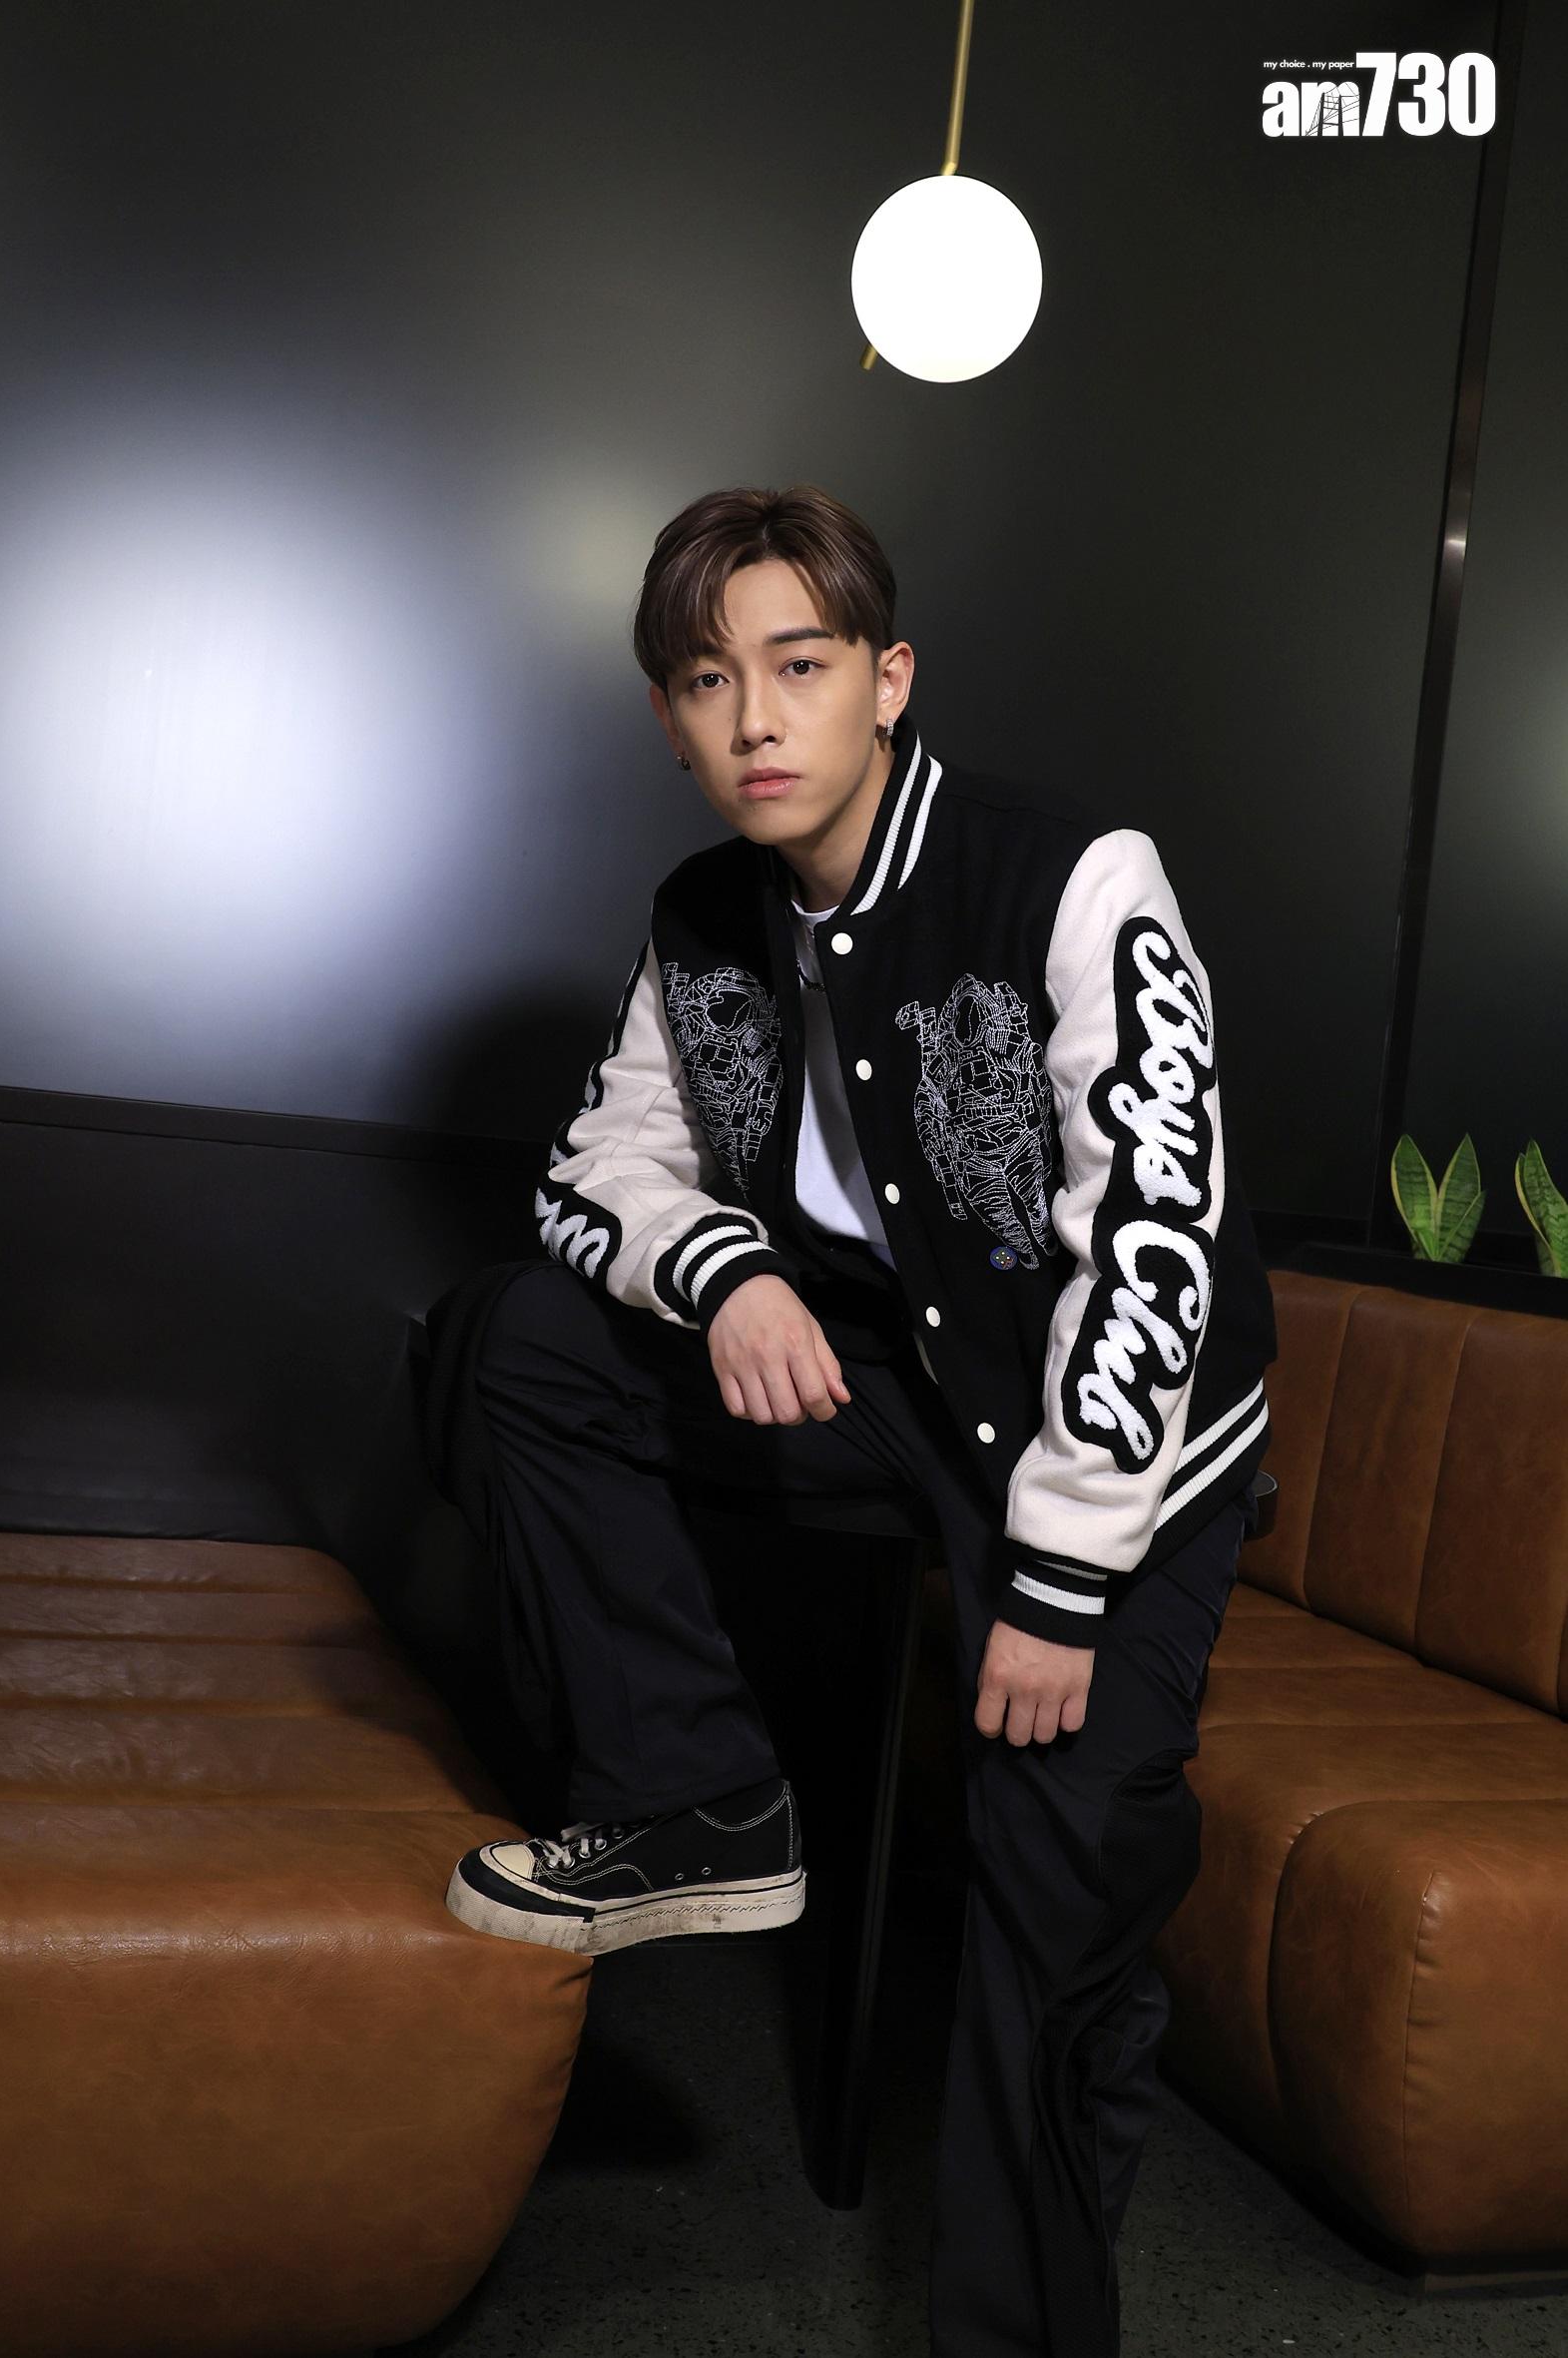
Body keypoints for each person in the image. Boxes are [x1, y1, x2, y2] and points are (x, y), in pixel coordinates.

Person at [422, 482, 1277, 2358]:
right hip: (885, 1387)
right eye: (706, 680)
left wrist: (1058, 1583)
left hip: (1099, 1445)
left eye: (799, 666)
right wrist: (726, 1272)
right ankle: (697, 1795)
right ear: (670, 717)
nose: (755, 718)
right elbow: (595, 1168)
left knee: (1054, 1917)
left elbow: (1157, 1231)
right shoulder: (700, 918)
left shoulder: (1073, 875)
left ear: (887, 680)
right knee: (517, 1338)